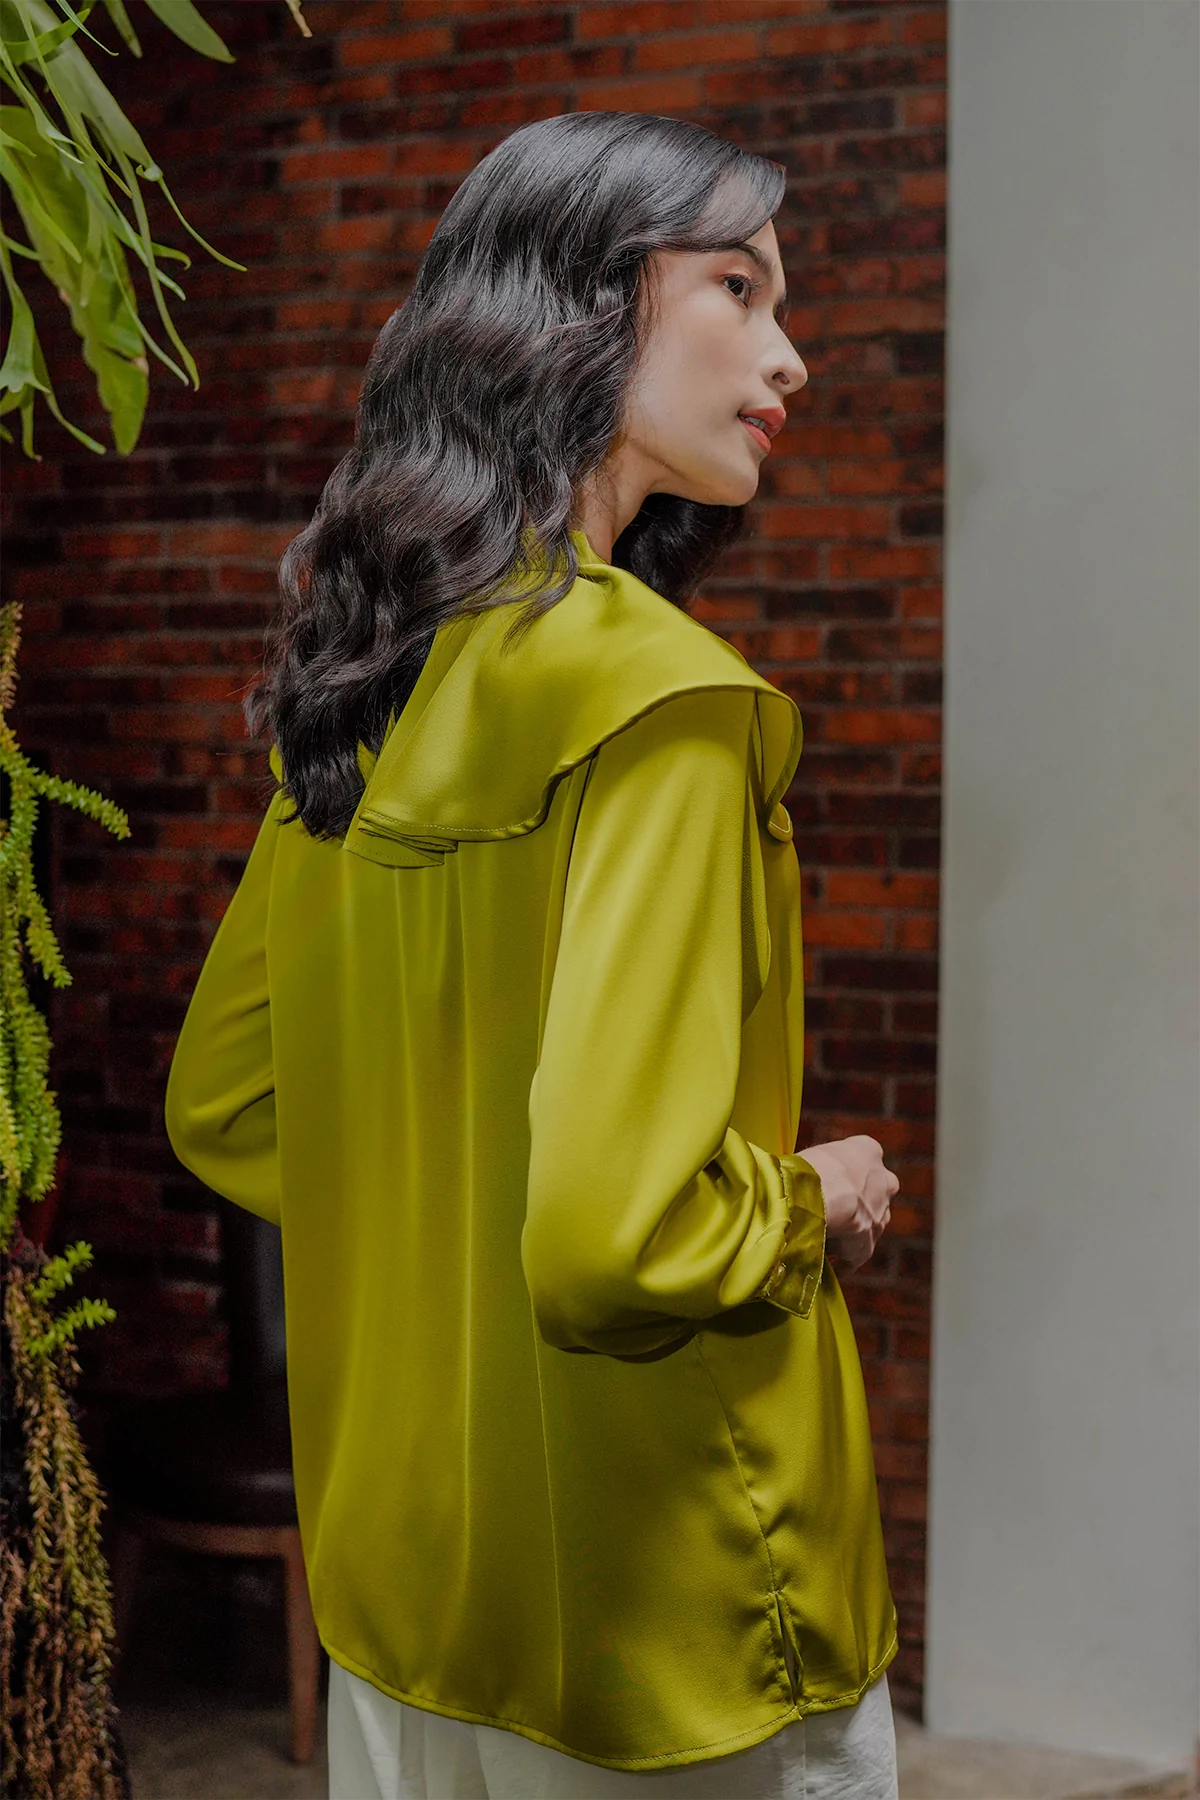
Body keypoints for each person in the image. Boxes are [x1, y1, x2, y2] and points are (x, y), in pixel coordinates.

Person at [164, 111, 902, 1799]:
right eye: (738, 287)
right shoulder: (669, 705)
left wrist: (447, 1225)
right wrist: (816, 1194)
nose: (790, 354)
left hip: (408, 1593)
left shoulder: (376, 681)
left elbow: (229, 1102)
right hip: (668, 1609)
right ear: (580, 302)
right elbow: (617, 1235)